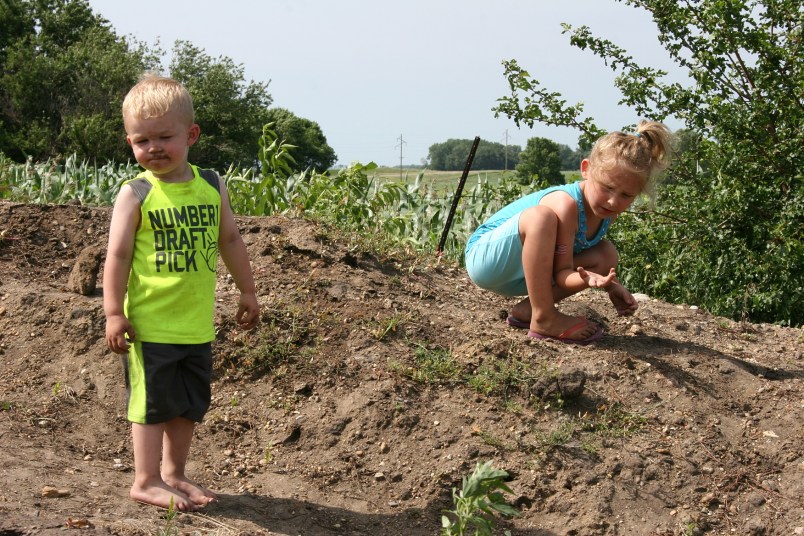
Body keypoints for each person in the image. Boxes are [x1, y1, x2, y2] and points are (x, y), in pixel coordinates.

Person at [103, 74, 260, 511]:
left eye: (164, 137)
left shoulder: (211, 184)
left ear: (191, 135)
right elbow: (116, 257)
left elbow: (230, 240)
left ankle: (173, 474)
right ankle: (146, 479)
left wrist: (247, 290)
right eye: (141, 140)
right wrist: (114, 312)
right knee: (151, 404)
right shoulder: (136, 194)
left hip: (195, 324)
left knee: (187, 405)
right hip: (150, 324)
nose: (153, 148)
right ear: (130, 142)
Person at [465, 120, 673, 345]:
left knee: (606, 255)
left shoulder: (607, 210)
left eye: (626, 195)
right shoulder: (566, 204)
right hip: (487, 261)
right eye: (607, 188)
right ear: (586, 169)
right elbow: (563, 274)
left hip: (524, 275)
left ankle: (528, 310)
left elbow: (560, 270)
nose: (614, 201)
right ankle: (544, 317)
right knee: (541, 217)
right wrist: (590, 279)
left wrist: (609, 284)